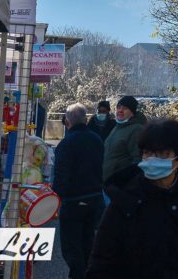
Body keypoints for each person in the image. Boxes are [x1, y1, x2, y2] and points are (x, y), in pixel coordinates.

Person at [86, 119, 178, 279]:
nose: (153, 159)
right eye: (148, 153)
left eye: (163, 154)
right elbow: (101, 262)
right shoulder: (125, 199)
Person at [52, 103, 105, 279]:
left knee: (72, 248)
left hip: (74, 201)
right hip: (95, 198)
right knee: (88, 243)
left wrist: (55, 195)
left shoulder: (66, 144)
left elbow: (61, 176)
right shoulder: (97, 139)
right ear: (86, 119)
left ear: (67, 121)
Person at [102, 95, 146, 181]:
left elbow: (137, 160)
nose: (120, 110)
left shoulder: (136, 129)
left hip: (121, 183)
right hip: (109, 181)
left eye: (125, 108)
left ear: (132, 112)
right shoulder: (117, 127)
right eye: (119, 107)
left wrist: (126, 181)